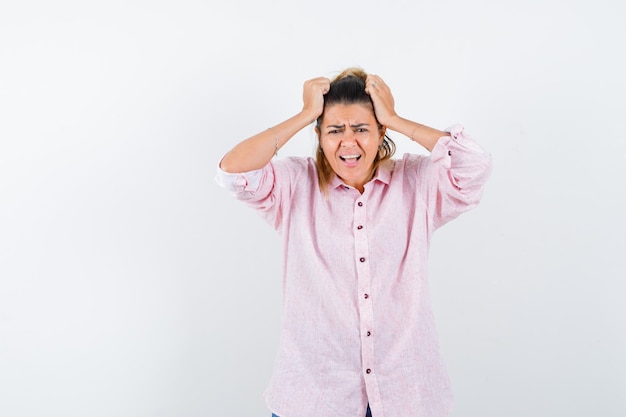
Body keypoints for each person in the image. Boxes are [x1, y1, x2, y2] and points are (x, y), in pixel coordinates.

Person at [215, 67, 492, 417]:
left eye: (362, 129)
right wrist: (305, 115)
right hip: (313, 399)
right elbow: (232, 172)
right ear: (319, 135)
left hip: (407, 397)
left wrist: (395, 116)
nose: (348, 143)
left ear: (381, 132)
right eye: (334, 130)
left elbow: (474, 166)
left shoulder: (417, 182)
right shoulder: (294, 183)